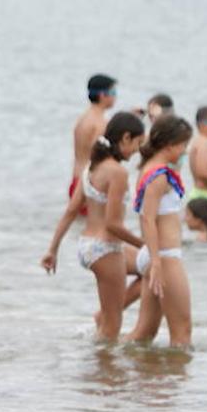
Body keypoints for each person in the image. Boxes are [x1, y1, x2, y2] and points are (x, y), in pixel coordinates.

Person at [41, 112, 145, 341]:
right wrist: (146, 244)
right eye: (138, 143)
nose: (138, 150)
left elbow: (71, 211)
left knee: (147, 269)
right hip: (106, 249)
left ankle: (102, 320)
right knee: (113, 328)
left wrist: (52, 249)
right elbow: (114, 225)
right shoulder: (118, 173)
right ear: (126, 138)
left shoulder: (91, 166)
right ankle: (105, 375)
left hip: (87, 246)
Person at [127, 116, 194, 351]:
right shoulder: (159, 176)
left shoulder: (150, 169)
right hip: (164, 257)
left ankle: (108, 358)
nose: (186, 151)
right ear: (169, 146)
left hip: (156, 255)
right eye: (183, 146)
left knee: (144, 334)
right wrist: (156, 261)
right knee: (182, 333)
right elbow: (147, 218)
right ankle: (177, 385)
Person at [71, 74, 117, 210]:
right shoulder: (100, 123)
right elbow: (100, 157)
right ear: (103, 95)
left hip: (76, 180)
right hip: (89, 185)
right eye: (113, 92)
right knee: (96, 228)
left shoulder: (83, 118)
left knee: (81, 227)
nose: (115, 97)